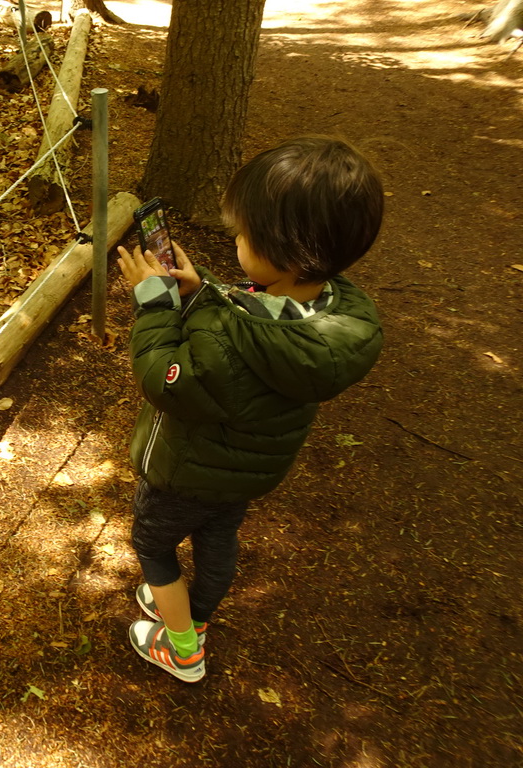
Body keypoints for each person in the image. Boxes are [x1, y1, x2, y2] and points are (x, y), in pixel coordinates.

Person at [116, 136, 385, 682]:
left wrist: (154, 305)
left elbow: (164, 380)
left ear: (281, 254)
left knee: (152, 542)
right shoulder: (335, 312)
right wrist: (200, 292)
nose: (236, 239)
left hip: (187, 469)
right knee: (218, 536)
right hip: (246, 472)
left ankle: (183, 648)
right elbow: (252, 318)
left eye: (243, 234)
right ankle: (199, 615)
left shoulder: (233, 338)